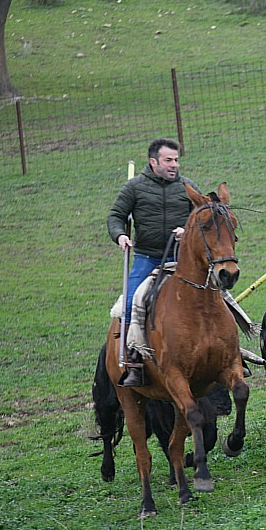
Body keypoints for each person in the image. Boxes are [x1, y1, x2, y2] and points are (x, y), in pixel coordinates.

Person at [108, 138, 197, 386]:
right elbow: (116, 216)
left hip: (181, 258)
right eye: (168, 160)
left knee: (217, 296)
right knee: (129, 304)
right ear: (153, 162)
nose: (174, 165)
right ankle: (133, 361)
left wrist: (187, 231)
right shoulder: (134, 188)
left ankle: (230, 353)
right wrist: (121, 235)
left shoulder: (188, 186)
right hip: (147, 258)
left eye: (176, 160)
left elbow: (201, 216)